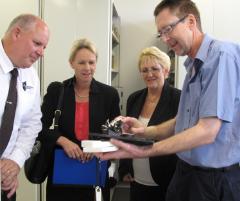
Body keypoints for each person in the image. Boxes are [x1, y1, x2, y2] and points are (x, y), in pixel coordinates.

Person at [99, 0, 240, 201]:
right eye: (161, 33)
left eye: (168, 29)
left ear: (191, 21)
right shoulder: (192, 66)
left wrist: (146, 150)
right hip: (185, 175)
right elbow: (182, 122)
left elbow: (207, 131)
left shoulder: (220, 57)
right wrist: (144, 132)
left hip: (212, 181)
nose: (165, 38)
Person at [40, 38, 120, 201]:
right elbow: (37, 127)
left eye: (91, 62)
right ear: (72, 63)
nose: (87, 68)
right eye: (81, 62)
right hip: (62, 171)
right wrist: (62, 140)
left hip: (94, 169)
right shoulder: (57, 91)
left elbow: (116, 134)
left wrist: (97, 147)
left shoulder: (109, 94)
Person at [118, 46, 180, 201]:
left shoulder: (178, 99)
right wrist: (125, 166)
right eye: (144, 70)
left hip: (166, 180)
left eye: (155, 69)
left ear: (166, 71)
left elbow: (179, 136)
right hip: (137, 180)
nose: (149, 74)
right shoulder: (134, 98)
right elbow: (128, 133)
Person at [0, 14, 49, 201]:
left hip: (7, 184)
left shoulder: (30, 75)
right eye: (37, 43)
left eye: (44, 47)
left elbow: (32, 123)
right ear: (17, 33)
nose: (42, 52)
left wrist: (14, 162)